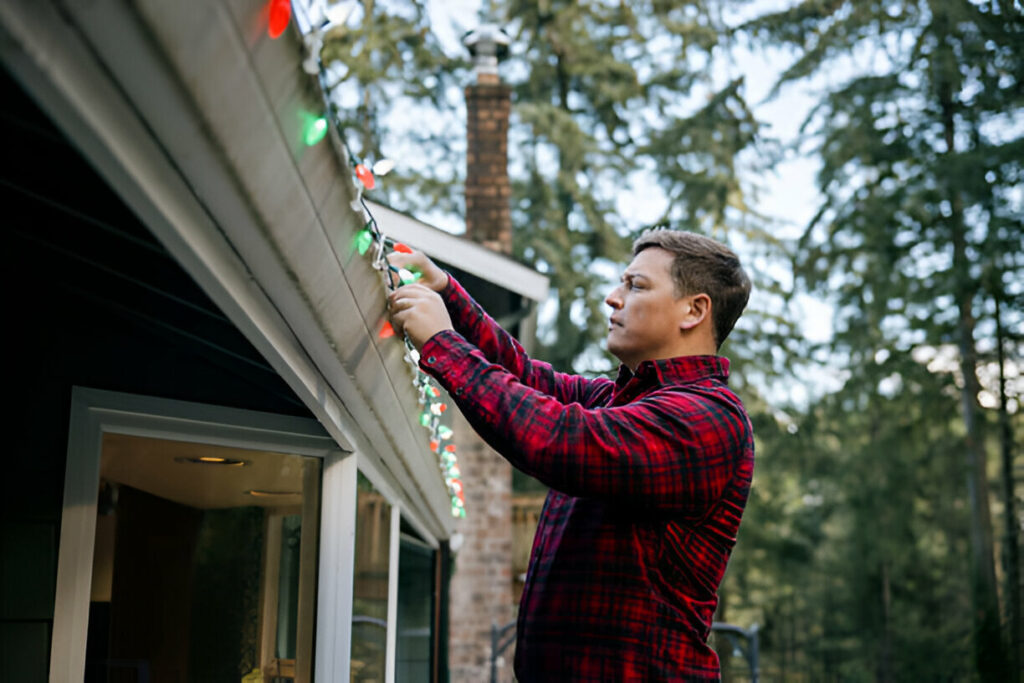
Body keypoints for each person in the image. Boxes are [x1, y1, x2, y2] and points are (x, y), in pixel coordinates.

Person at [387, 228, 754, 681]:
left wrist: (442, 342)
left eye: (636, 286)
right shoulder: (615, 401)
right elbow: (523, 376)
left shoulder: (708, 418)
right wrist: (447, 291)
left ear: (694, 310)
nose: (613, 298)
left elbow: (558, 439)